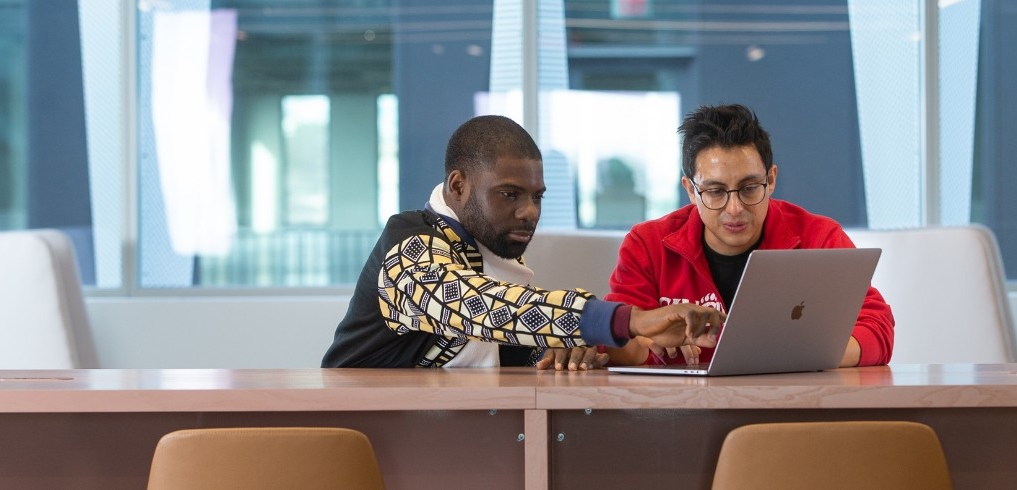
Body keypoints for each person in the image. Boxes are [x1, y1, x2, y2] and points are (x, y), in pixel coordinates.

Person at [322, 115, 722, 369]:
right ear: (458, 186)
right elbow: (479, 306)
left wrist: (594, 348)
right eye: (510, 194)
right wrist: (629, 319)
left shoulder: (490, 254)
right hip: (358, 444)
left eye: (537, 197)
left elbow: (519, 344)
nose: (530, 211)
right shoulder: (410, 247)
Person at [603, 103, 894, 367]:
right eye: (715, 192)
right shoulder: (648, 244)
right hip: (679, 413)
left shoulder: (819, 238)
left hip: (789, 410)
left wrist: (799, 356)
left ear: (771, 180)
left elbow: (878, 328)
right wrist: (640, 342)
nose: (735, 208)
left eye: (749, 188)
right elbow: (611, 344)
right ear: (691, 190)